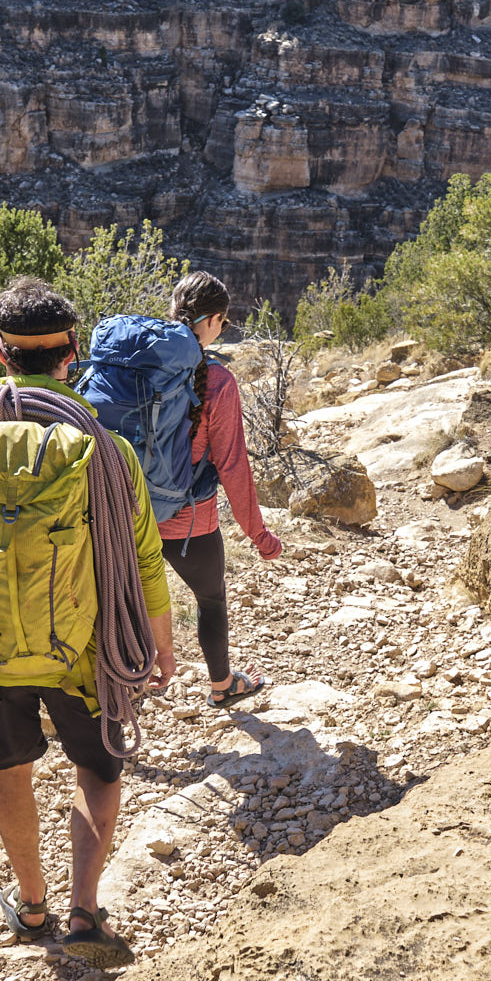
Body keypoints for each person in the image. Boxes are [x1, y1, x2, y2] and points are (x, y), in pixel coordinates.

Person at [0, 277, 176, 969]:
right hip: (86, 651)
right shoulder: (103, 448)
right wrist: (161, 637)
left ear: (1, 354)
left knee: (11, 768)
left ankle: (33, 906)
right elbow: (143, 550)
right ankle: (85, 909)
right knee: (97, 767)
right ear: (73, 353)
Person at [158, 271, 286, 708]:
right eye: (224, 323)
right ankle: (222, 685)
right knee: (210, 599)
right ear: (213, 321)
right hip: (188, 521)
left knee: (125, 605)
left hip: (125, 514)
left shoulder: (133, 366)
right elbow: (232, 465)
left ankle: (114, 702)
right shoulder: (217, 382)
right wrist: (259, 535)